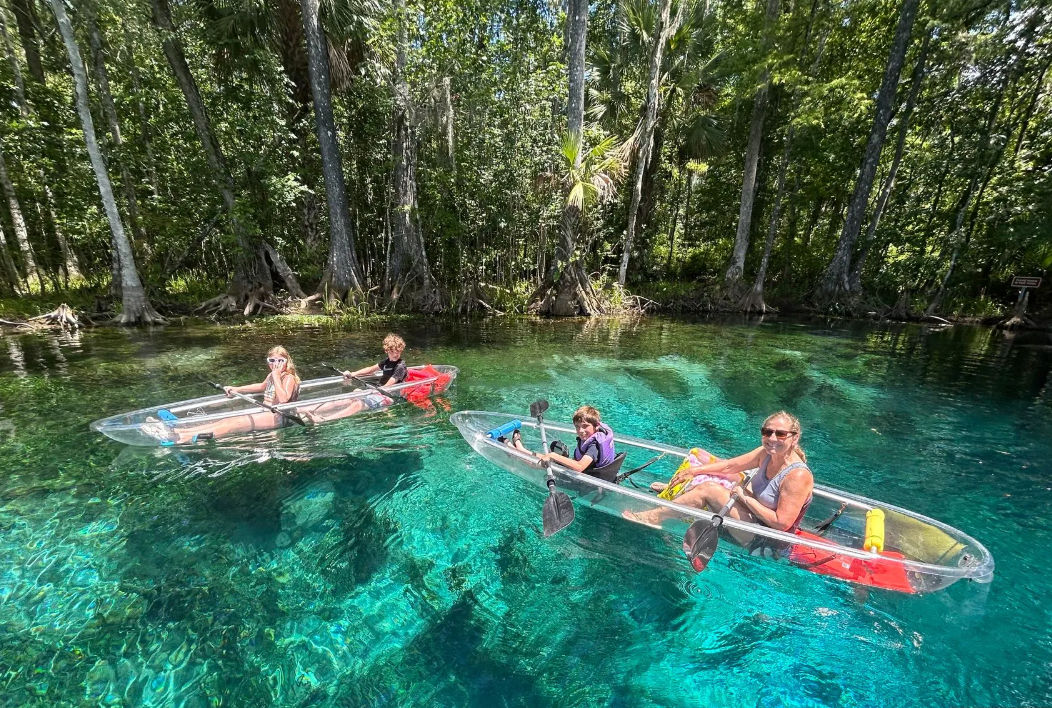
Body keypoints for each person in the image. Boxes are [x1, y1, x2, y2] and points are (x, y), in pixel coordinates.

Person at [624, 411, 813, 542]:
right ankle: (680, 495)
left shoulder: (797, 475)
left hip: (764, 537)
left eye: (780, 434)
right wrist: (694, 471)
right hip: (750, 514)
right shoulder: (766, 453)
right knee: (719, 474)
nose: (772, 438)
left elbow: (781, 524)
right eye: (767, 432)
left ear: (794, 438)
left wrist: (744, 497)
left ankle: (655, 517)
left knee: (709, 490)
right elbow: (731, 465)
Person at [142, 346, 301, 444]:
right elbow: (260, 387)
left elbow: (284, 399)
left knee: (233, 424)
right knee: (226, 419)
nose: (275, 364)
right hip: (265, 412)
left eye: (280, 361)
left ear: (286, 362)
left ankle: (182, 439)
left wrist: (276, 376)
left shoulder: (289, 378)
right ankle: (176, 430)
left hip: (279, 416)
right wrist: (236, 389)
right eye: (272, 360)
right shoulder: (271, 376)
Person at [509, 405, 617, 475]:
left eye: (585, 426)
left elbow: (579, 467)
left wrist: (553, 455)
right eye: (577, 427)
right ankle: (521, 449)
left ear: (596, 426)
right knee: (550, 457)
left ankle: (515, 451)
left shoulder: (594, 446)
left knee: (545, 461)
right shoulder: (597, 431)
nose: (581, 431)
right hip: (586, 468)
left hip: (588, 480)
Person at [341, 333, 408, 386]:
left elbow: (391, 382)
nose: (395, 355)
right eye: (392, 352)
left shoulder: (400, 366)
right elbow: (370, 369)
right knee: (356, 391)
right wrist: (353, 374)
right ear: (386, 351)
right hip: (380, 388)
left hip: (389, 393)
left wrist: (377, 390)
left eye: (398, 352)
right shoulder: (386, 362)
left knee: (358, 401)